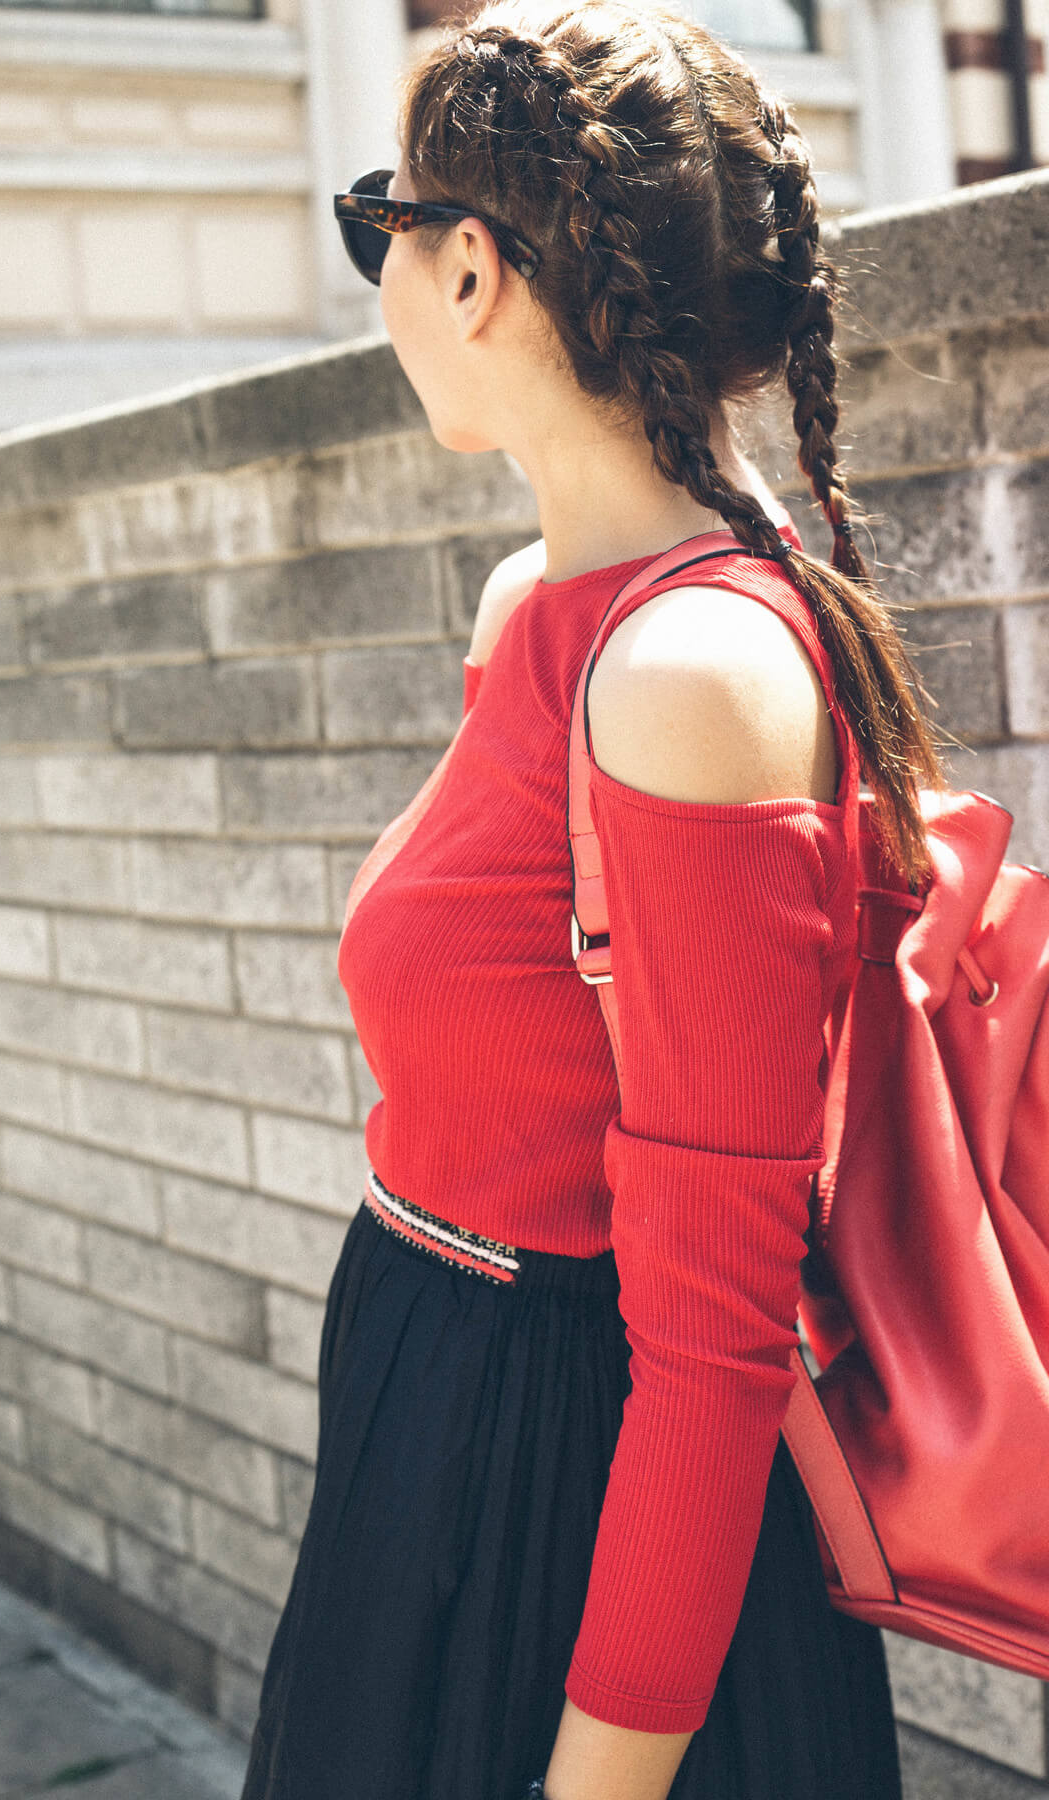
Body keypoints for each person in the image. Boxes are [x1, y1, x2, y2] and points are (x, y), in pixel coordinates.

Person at [239, 4, 945, 1797]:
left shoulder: (688, 672)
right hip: (435, 1407)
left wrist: (600, 1777)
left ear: (468, 267)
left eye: (377, 227)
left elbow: (712, 1342)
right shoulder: (536, 614)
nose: (382, 278)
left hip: (567, 1489)